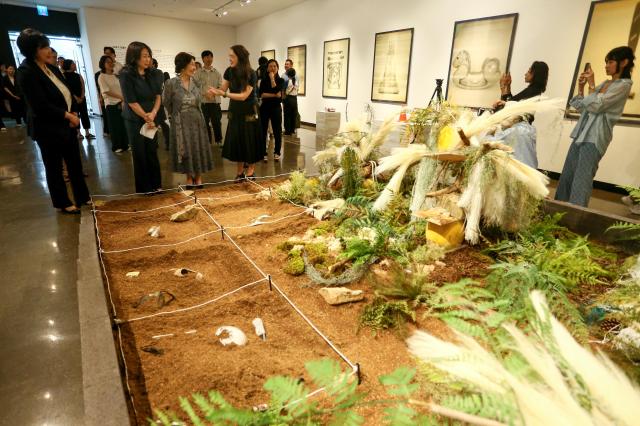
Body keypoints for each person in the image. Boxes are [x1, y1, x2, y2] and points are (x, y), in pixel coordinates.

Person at [16, 28, 89, 214]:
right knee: (54, 166)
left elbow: (65, 94)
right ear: (31, 50)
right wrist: (68, 116)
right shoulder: (26, 72)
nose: (48, 50)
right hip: (47, 127)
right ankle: (62, 202)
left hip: (66, 123)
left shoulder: (52, 68)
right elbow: (39, 105)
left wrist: (73, 113)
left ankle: (83, 197)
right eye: (43, 47)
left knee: (74, 163)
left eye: (48, 45)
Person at [555, 46, 635, 207]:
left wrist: (591, 86)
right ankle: (557, 211)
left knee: (582, 179)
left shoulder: (624, 85)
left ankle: (575, 217)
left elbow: (598, 106)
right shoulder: (605, 83)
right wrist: (581, 87)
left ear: (624, 62)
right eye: (606, 62)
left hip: (596, 137)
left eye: (611, 62)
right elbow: (582, 106)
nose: (606, 65)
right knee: (567, 175)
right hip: (582, 133)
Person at [209, 45, 263, 180]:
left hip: (249, 112)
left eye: (232, 56)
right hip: (235, 112)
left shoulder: (251, 73)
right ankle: (239, 172)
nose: (230, 59)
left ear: (240, 57)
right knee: (238, 142)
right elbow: (223, 88)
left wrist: (224, 94)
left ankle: (251, 170)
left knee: (249, 141)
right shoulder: (229, 71)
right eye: (229, 56)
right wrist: (214, 92)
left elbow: (244, 96)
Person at [163, 52, 215, 187]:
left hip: (197, 120)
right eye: (192, 64)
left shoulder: (196, 82)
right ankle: (189, 177)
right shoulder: (171, 83)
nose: (194, 67)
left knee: (197, 147)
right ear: (183, 65)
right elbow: (167, 103)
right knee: (185, 149)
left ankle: (198, 177)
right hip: (180, 122)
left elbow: (201, 99)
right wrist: (175, 115)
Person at [488, 61, 549, 168]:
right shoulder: (532, 90)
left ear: (535, 74)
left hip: (519, 132)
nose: (525, 73)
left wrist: (504, 98)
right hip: (517, 130)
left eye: (529, 71)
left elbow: (514, 107)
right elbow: (514, 103)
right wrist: (506, 87)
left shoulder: (533, 91)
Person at [120, 41, 163, 193]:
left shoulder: (153, 73)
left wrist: (153, 114)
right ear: (134, 57)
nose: (148, 59)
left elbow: (158, 96)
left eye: (149, 56)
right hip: (135, 118)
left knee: (152, 150)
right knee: (139, 153)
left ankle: (157, 184)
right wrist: (146, 116)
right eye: (144, 56)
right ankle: (145, 187)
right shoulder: (126, 74)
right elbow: (131, 101)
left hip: (152, 116)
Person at [97, 55, 129, 153]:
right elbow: (106, 91)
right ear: (103, 64)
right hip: (111, 104)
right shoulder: (101, 76)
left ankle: (125, 144)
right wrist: (121, 98)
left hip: (121, 102)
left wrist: (123, 99)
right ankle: (116, 146)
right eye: (108, 62)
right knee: (115, 126)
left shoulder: (116, 75)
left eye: (111, 62)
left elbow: (122, 88)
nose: (111, 63)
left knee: (123, 124)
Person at [194, 50, 223, 145]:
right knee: (204, 123)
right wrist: (205, 94)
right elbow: (195, 86)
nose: (209, 59)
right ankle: (208, 141)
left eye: (211, 57)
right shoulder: (198, 73)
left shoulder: (217, 73)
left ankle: (218, 140)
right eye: (207, 57)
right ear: (203, 59)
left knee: (217, 122)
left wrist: (213, 93)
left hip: (215, 102)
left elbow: (220, 86)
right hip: (203, 102)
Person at [62, 59, 95, 140]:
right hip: (72, 100)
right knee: (75, 115)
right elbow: (67, 88)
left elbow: (83, 86)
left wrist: (82, 96)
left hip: (81, 98)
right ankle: (78, 133)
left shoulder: (78, 75)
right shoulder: (63, 76)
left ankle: (87, 132)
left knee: (84, 114)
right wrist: (76, 98)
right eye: (73, 64)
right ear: (68, 65)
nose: (75, 65)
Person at [259, 59, 284, 161]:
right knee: (263, 131)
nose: (272, 68)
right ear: (267, 68)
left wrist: (273, 79)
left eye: (274, 66)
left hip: (276, 108)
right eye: (270, 66)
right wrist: (274, 94)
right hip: (264, 108)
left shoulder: (281, 80)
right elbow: (262, 94)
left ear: (277, 68)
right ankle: (263, 152)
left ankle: (277, 152)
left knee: (277, 131)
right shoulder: (263, 80)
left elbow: (279, 95)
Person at [150, 58, 171, 150]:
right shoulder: (144, 73)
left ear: (154, 64)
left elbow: (158, 87)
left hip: (159, 103)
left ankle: (169, 143)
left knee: (164, 124)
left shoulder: (158, 73)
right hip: (150, 104)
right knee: (153, 125)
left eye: (150, 61)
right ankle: (154, 144)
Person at [283, 66, 299, 136]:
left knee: (287, 115)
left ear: (288, 74)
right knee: (293, 115)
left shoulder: (287, 81)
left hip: (288, 99)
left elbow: (284, 91)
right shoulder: (296, 81)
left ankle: (287, 131)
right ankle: (292, 130)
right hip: (295, 99)